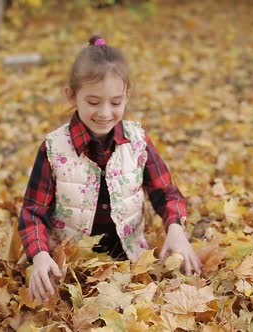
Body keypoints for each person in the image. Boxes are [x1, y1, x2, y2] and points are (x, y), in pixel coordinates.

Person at [18, 35, 201, 304]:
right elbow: (33, 212)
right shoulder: (54, 148)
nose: (105, 112)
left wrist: (175, 229)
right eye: (93, 102)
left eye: (116, 103)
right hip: (70, 265)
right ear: (72, 95)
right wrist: (40, 255)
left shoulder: (137, 141)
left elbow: (166, 192)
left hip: (129, 259)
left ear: (127, 97)